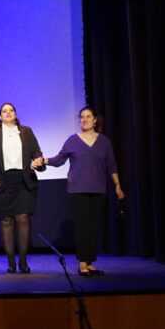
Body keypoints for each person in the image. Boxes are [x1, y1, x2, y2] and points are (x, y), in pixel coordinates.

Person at [44, 106, 125, 276]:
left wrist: (117, 185)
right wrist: (44, 160)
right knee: (82, 226)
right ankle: (82, 263)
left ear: (95, 120)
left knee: (94, 226)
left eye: (88, 116)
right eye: (82, 117)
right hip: (78, 189)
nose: (84, 119)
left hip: (98, 189)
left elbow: (111, 165)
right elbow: (59, 160)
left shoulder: (104, 142)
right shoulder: (73, 140)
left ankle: (90, 262)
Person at [0, 102, 45, 274]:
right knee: (7, 221)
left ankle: (23, 262)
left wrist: (38, 161)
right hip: (3, 181)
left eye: (11, 110)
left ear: (15, 114)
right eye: (4, 111)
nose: (8, 113)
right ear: (0, 116)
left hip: (23, 180)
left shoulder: (26, 132)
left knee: (23, 218)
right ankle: (11, 263)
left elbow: (36, 152)